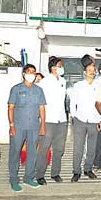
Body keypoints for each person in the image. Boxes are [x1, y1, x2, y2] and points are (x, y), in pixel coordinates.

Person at [7, 64, 45, 192]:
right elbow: (10, 107)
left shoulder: (38, 90)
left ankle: (28, 177)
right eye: (29, 72)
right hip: (18, 126)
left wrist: (43, 126)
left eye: (34, 72)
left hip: (34, 126)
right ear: (24, 74)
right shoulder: (16, 89)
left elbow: (42, 108)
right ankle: (13, 179)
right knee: (15, 153)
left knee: (32, 153)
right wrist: (11, 125)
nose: (32, 74)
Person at [36, 57, 68, 185]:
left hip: (62, 119)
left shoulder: (63, 81)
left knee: (59, 149)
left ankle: (55, 173)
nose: (62, 68)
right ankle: (40, 175)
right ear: (53, 67)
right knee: (44, 148)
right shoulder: (44, 82)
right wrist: (42, 122)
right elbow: (40, 103)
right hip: (48, 119)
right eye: (60, 66)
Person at [70, 61, 101, 182]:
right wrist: (74, 117)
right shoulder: (78, 85)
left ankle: (88, 169)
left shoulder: (98, 86)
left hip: (94, 120)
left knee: (92, 147)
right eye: (90, 70)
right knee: (78, 147)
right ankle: (76, 171)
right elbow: (73, 103)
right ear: (85, 72)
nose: (92, 72)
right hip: (80, 120)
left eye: (94, 70)